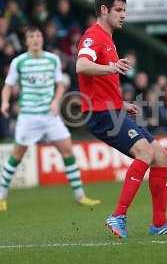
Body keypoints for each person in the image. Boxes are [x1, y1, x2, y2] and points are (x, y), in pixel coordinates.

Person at [75, 0, 167, 237]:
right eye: (119, 10)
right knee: (144, 151)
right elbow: (81, 65)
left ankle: (159, 224)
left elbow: (100, 84)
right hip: (100, 114)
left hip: (111, 109)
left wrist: (121, 103)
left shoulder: (108, 39)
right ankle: (117, 216)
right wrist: (111, 66)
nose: (124, 15)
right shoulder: (94, 36)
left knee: (161, 155)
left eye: (125, 10)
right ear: (104, 10)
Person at [0, 26, 100, 211]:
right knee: (17, 155)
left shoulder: (52, 59)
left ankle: (80, 196)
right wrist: (5, 102)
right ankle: (1, 196)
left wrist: (56, 101)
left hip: (50, 116)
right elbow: (8, 85)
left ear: (42, 39)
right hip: (28, 116)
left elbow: (60, 83)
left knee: (67, 151)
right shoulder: (19, 62)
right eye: (32, 36)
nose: (36, 39)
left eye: (38, 35)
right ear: (26, 41)